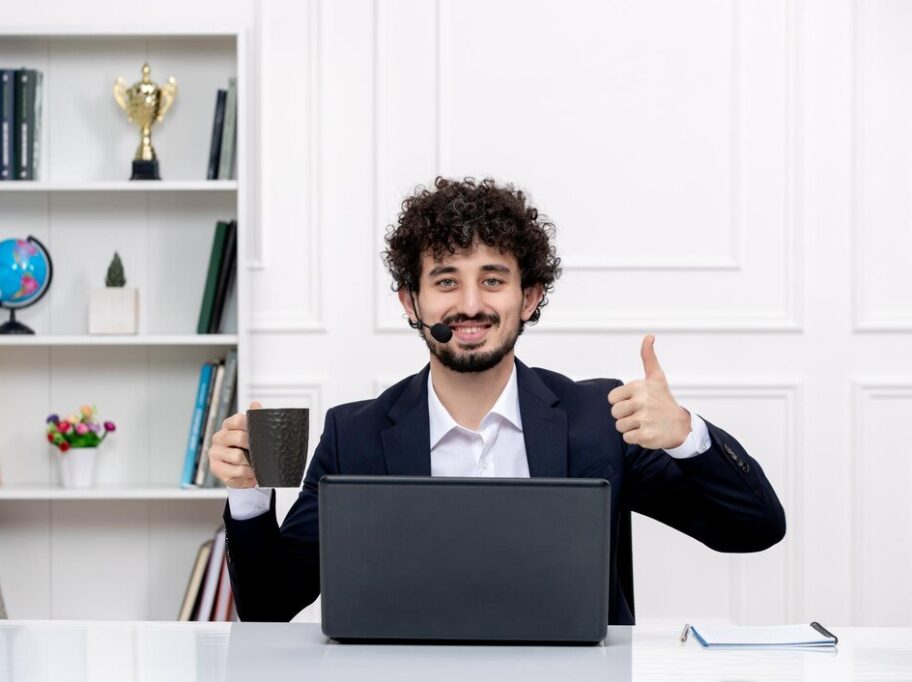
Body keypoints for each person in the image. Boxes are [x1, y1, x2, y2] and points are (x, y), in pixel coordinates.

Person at [208, 176, 786, 625]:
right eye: (444, 281)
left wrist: (689, 435)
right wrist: (250, 499)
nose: (469, 304)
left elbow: (754, 528)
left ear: (529, 297)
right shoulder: (354, 435)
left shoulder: (598, 421)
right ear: (411, 302)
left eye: (492, 280)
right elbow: (270, 608)